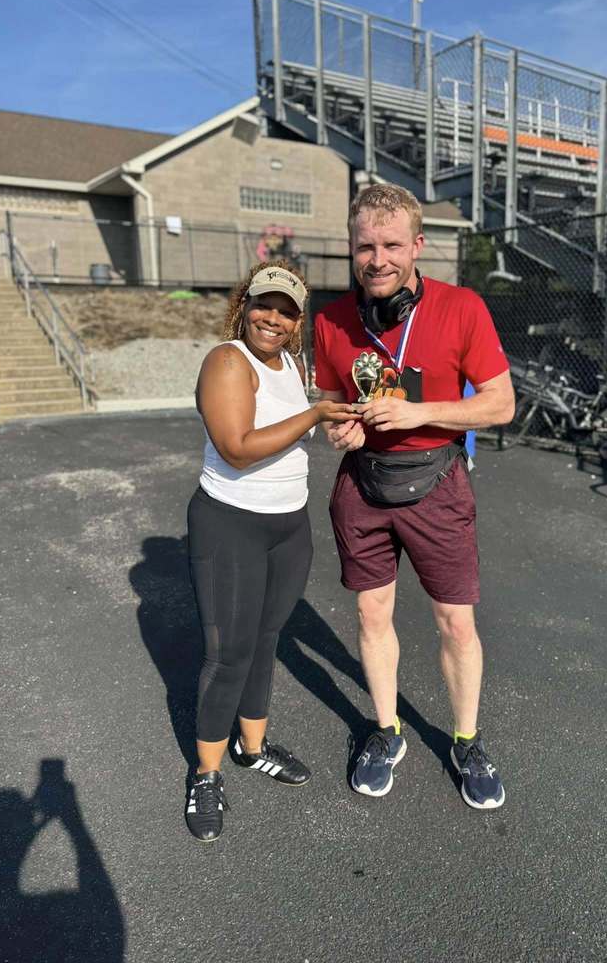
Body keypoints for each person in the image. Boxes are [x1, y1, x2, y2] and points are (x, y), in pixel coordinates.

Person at [313, 184, 515, 810]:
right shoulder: (330, 320)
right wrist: (339, 430)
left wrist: (421, 412)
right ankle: (386, 729)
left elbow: (501, 404)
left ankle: (466, 741)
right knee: (372, 616)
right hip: (363, 484)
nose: (378, 259)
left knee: (456, 622)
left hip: (438, 483)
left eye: (392, 245)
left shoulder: (461, 308)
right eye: (365, 247)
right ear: (351, 248)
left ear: (417, 246)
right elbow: (330, 408)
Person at [185, 260, 356, 842]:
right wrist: (315, 412)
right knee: (228, 654)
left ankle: (252, 748)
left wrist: (336, 428)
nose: (273, 319)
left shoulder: (293, 364)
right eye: (264, 305)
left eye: (287, 312)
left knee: (265, 641)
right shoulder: (228, 360)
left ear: (298, 321)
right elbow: (236, 448)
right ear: (244, 304)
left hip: (288, 526)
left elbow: (292, 435)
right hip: (230, 525)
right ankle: (206, 774)